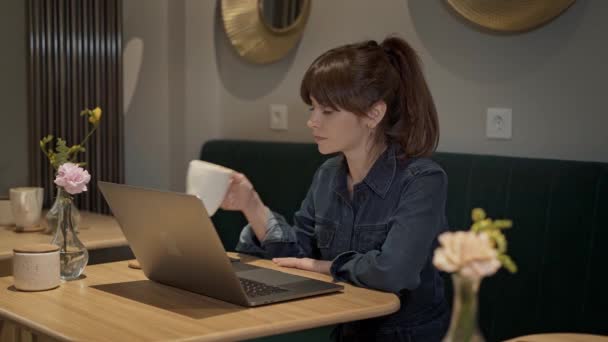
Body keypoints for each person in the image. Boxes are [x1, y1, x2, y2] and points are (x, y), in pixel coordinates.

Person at [220, 36, 449, 342]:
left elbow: (394, 272)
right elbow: (298, 258)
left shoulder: (423, 180)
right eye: (312, 108)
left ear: (373, 114)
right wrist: (253, 206)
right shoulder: (328, 175)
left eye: (327, 111)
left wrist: (325, 267)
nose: (312, 122)